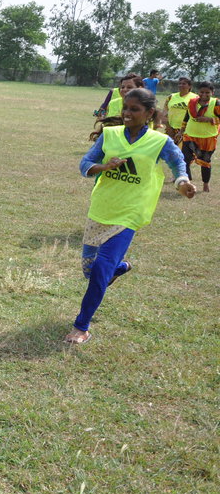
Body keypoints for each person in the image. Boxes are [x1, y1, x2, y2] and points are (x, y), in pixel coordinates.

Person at [65, 88, 195, 344]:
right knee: (90, 272)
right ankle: (121, 267)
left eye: (134, 109)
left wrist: (182, 182)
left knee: (101, 269)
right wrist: (104, 166)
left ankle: (81, 326)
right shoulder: (110, 135)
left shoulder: (160, 142)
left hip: (130, 214)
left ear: (149, 113)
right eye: (126, 108)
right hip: (101, 209)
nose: (127, 113)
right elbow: (85, 165)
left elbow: (178, 163)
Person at [181, 81, 218, 193]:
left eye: (207, 92)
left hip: (208, 138)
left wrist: (210, 119)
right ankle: (188, 183)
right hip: (190, 136)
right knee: (185, 159)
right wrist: (182, 130)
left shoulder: (216, 103)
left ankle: (205, 184)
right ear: (198, 92)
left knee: (205, 161)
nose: (204, 95)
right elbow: (187, 117)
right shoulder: (192, 102)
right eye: (202, 92)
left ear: (212, 92)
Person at [89, 74, 143, 141]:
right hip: (115, 139)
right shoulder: (113, 103)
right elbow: (110, 123)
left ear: (140, 88)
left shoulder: (146, 106)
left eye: (129, 87)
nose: (125, 90)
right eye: (122, 87)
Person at [161, 77, 198, 142]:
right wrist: (169, 128)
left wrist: (182, 131)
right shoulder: (171, 97)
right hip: (171, 129)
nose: (181, 85)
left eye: (184, 84)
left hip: (187, 131)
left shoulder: (196, 98)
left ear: (189, 86)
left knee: (184, 151)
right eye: (179, 83)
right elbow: (164, 113)